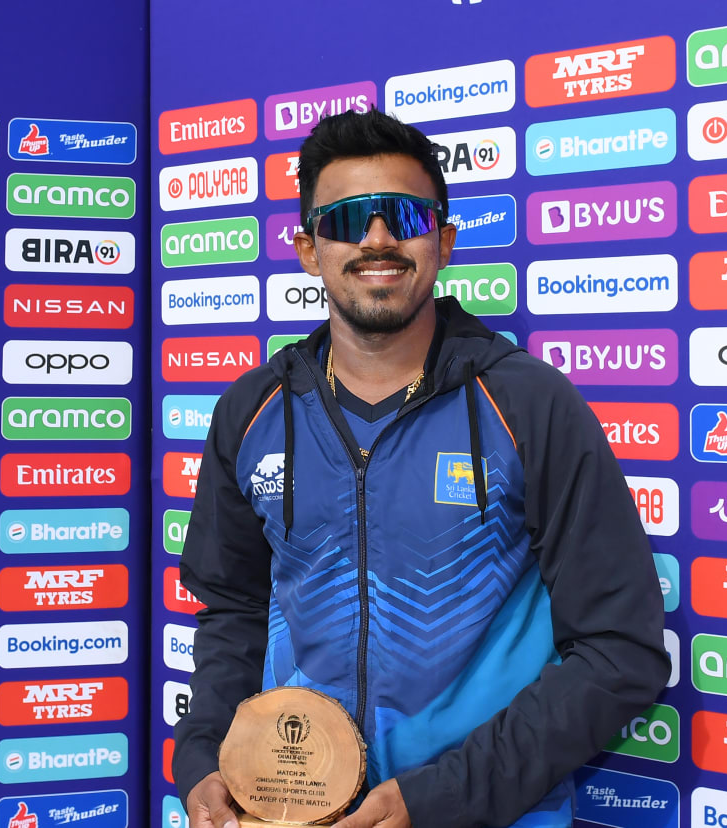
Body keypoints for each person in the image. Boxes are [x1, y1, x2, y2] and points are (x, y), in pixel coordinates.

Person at [172, 110, 671, 828]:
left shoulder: (527, 403)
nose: (377, 239)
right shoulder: (252, 411)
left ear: (442, 242)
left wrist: (439, 800)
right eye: (347, 219)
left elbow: (620, 650)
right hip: (292, 812)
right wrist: (204, 757)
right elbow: (233, 612)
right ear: (309, 250)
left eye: (402, 216)